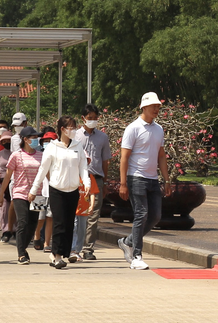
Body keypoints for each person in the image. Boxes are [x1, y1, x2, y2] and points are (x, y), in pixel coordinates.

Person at [117, 92, 171, 271]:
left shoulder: (159, 129)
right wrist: (123, 183)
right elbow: (124, 157)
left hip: (152, 179)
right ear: (144, 107)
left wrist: (167, 179)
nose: (157, 109)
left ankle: (128, 242)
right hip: (136, 177)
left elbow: (161, 155)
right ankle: (137, 256)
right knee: (141, 214)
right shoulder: (133, 128)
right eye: (154, 106)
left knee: (155, 216)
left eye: (158, 107)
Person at [28, 117, 89, 269]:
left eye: (75, 127)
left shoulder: (77, 146)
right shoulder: (52, 147)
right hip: (57, 190)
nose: (73, 130)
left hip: (73, 190)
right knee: (59, 223)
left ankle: (65, 252)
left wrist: (86, 182)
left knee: (69, 224)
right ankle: (57, 256)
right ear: (62, 129)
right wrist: (34, 190)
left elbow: (83, 166)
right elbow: (43, 169)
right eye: (71, 127)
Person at [0, 126, 43, 264]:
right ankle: (21, 254)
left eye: (37, 137)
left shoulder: (41, 155)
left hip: (37, 194)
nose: (36, 140)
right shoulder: (16, 155)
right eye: (33, 138)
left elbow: (47, 174)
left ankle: (23, 248)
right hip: (20, 192)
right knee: (23, 221)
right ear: (25, 139)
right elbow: (7, 176)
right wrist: (1, 195)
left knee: (32, 223)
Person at [78, 104, 111, 260]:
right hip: (78, 179)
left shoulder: (103, 137)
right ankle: (74, 245)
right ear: (83, 118)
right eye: (89, 118)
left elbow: (105, 161)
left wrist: (104, 181)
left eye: (95, 118)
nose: (92, 121)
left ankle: (88, 248)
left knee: (93, 214)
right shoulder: (75, 136)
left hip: (96, 178)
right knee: (77, 213)